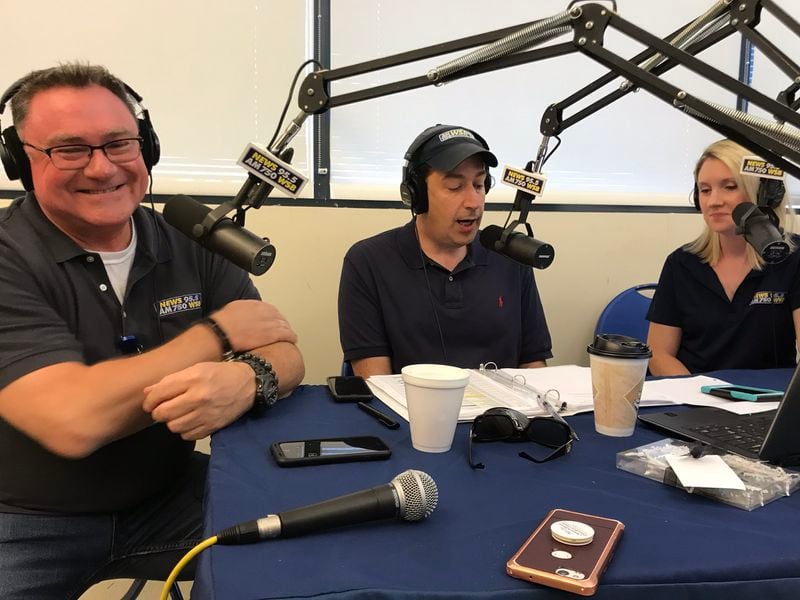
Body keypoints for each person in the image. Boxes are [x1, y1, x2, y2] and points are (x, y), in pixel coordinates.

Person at [0, 63, 304, 599]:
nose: (102, 168)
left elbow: (282, 348)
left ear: (148, 147)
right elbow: (73, 420)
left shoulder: (191, 238)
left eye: (119, 143)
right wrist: (215, 336)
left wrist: (250, 379)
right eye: (69, 149)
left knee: (308, 551)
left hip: (167, 496)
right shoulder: (7, 257)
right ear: (19, 161)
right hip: (24, 518)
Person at [338, 124, 552, 378]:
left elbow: (534, 366)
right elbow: (377, 384)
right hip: (412, 415)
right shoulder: (368, 262)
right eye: (454, 187)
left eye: (479, 184)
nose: (473, 202)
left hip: (504, 415)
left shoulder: (510, 256)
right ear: (416, 195)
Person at [647, 138, 800, 376]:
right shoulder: (681, 264)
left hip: (769, 405)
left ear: (765, 195)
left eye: (729, 187)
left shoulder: (793, 258)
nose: (714, 201)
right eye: (705, 190)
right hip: (694, 402)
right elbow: (659, 354)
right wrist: (696, 397)